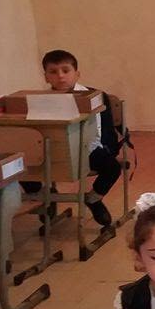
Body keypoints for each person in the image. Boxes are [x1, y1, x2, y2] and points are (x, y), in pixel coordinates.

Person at [40, 50, 122, 227]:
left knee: (113, 167)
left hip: (86, 149)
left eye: (65, 70)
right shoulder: (40, 100)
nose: (60, 76)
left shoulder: (95, 97)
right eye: (53, 72)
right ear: (46, 77)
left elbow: (101, 132)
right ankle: (44, 197)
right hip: (51, 151)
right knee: (19, 168)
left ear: (77, 74)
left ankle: (93, 199)